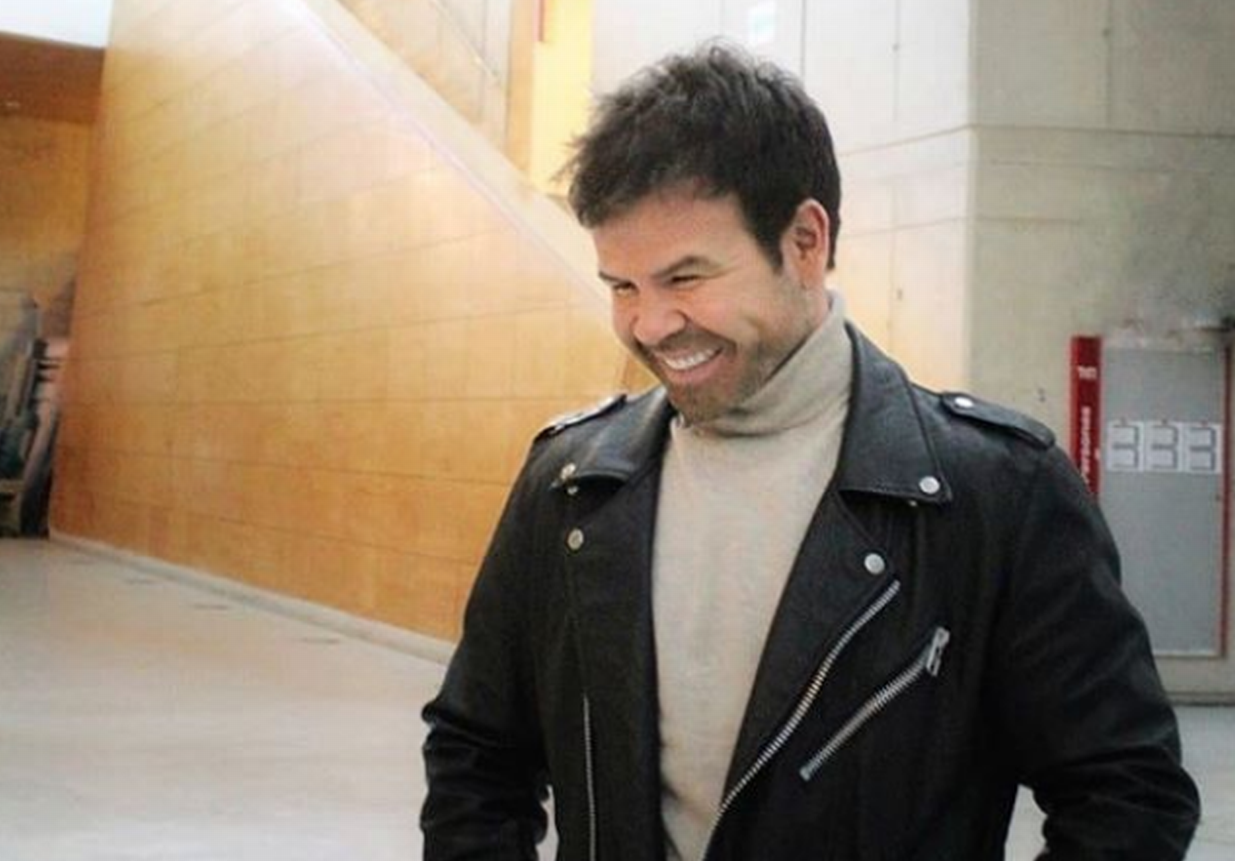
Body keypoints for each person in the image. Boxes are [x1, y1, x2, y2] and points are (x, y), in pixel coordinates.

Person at [420, 44, 1200, 860]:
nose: (649, 325)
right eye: (622, 286)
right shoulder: (571, 485)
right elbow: (477, 754)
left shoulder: (995, 494)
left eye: (685, 278)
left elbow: (1125, 797)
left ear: (803, 241)